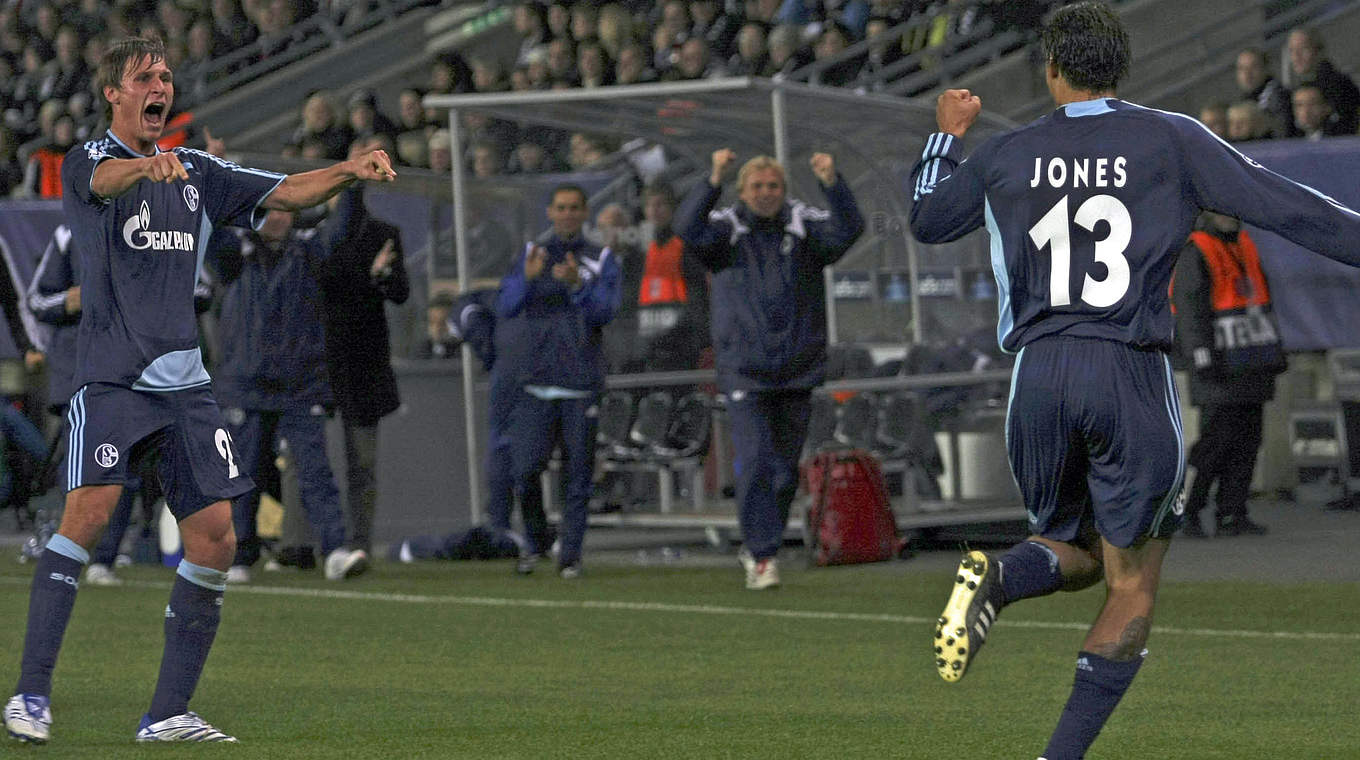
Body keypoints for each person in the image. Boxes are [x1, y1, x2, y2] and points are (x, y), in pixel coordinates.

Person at [907, 4, 1360, 759]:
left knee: (1071, 547)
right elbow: (1288, 209)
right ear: (1123, 68)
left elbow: (926, 216)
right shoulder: (1170, 138)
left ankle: (1002, 575)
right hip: (1127, 368)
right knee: (1132, 580)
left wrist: (947, 133)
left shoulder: (1007, 153)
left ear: (1050, 71)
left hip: (1038, 376)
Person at [4, 35, 396, 746]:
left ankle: (167, 713)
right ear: (113, 94)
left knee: (214, 540)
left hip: (186, 386)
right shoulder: (86, 160)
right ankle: (30, 694)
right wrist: (143, 169)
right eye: (144, 76)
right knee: (86, 518)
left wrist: (348, 169)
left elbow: (283, 191)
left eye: (165, 75)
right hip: (114, 378)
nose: (160, 85)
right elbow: (105, 185)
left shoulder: (199, 172)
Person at [676, 148, 863, 590]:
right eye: (757, 187)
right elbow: (686, 228)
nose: (766, 194)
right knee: (756, 461)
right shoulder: (726, 230)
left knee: (782, 471)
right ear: (742, 191)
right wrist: (712, 179)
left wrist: (833, 184)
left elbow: (848, 230)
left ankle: (763, 546)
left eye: (773, 186)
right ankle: (762, 556)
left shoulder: (803, 226)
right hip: (745, 370)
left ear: (784, 189)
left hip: (797, 368)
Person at [209, 190, 361, 584]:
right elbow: (211, 234)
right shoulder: (234, 255)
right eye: (269, 212)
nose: (278, 219)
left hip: (301, 383)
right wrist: (215, 176)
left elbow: (340, 231)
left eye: (285, 211)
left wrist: (352, 184)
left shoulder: (309, 252)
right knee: (243, 473)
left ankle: (335, 551)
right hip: (246, 382)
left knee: (315, 471)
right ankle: (239, 555)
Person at [496, 184, 620, 578]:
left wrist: (577, 286)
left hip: (581, 380)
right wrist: (529, 280)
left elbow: (605, 312)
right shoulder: (534, 254)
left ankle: (571, 555)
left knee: (578, 474)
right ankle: (536, 540)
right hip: (537, 381)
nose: (567, 215)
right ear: (549, 212)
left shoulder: (600, 258)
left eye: (574, 208)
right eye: (560, 208)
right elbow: (507, 305)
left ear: (585, 214)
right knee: (524, 470)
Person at [1171, 212, 1284, 539]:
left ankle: (1233, 513)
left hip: (1251, 361)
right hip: (1218, 367)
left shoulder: (1244, 244)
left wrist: (1275, 351)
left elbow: (1263, 302)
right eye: (1224, 209)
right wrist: (1200, 357)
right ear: (1207, 213)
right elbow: (1189, 308)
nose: (1232, 216)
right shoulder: (1197, 250)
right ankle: (1187, 512)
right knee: (1214, 444)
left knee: (1247, 443)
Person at [317, 182, 410, 567]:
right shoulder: (312, 233)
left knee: (363, 462)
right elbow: (322, 285)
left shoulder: (383, 235)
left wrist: (383, 274)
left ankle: (359, 542)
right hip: (318, 361)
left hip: (363, 363)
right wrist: (368, 274)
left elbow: (401, 292)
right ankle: (302, 544)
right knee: (307, 460)